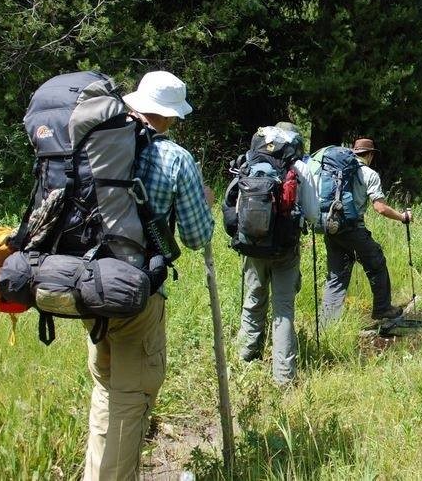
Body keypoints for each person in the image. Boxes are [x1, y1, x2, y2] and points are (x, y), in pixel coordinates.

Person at [82, 70, 214, 481]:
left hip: (85, 283)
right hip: (135, 293)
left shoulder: (94, 140)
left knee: (106, 388)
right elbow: (197, 236)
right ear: (171, 116)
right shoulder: (174, 158)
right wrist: (202, 201)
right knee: (130, 396)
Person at [236, 122, 319, 386]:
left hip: (252, 243)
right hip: (285, 246)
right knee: (283, 309)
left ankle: (246, 361)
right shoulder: (299, 166)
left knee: (253, 298)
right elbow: (314, 214)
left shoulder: (251, 159)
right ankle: (284, 377)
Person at [321, 137, 412, 323]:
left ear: (355, 152)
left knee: (336, 277)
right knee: (376, 262)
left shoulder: (336, 171)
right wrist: (403, 217)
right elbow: (380, 208)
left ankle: (327, 324)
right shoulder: (369, 174)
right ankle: (382, 308)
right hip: (353, 230)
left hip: (332, 227)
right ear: (370, 155)